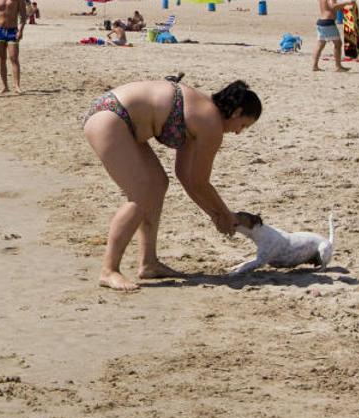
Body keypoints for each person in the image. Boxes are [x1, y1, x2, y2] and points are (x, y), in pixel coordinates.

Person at [82, 78, 261, 292]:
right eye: (243, 125)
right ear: (236, 112)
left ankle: (148, 263)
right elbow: (200, 181)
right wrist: (224, 214)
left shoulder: (202, 112)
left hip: (112, 114)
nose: (239, 132)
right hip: (111, 118)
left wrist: (217, 216)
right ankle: (109, 270)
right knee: (141, 194)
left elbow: (187, 177)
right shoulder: (210, 122)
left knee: (157, 184)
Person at [313, 0, 356, 72]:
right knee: (338, 44)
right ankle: (338, 66)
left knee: (320, 44)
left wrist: (347, 8)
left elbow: (332, 7)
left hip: (321, 22)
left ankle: (314, 66)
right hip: (328, 23)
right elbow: (333, 6)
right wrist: (347, 2)